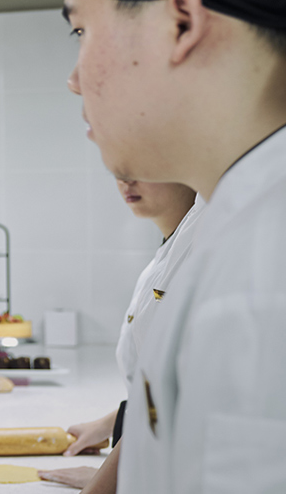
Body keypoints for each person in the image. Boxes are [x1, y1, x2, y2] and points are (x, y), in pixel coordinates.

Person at [58, 0, 286, 491]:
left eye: (82, 30)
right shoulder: (235, 223)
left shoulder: (262, 278)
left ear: (180, 21)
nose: (74, 77)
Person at [40, 180, 200, 491]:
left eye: (141, 165)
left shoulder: (201, 251)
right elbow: (157, 392)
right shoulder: (161, 262)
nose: (126, 181)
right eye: (118, 171)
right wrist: (111, 425)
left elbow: (181, 396)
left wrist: (111, 481)